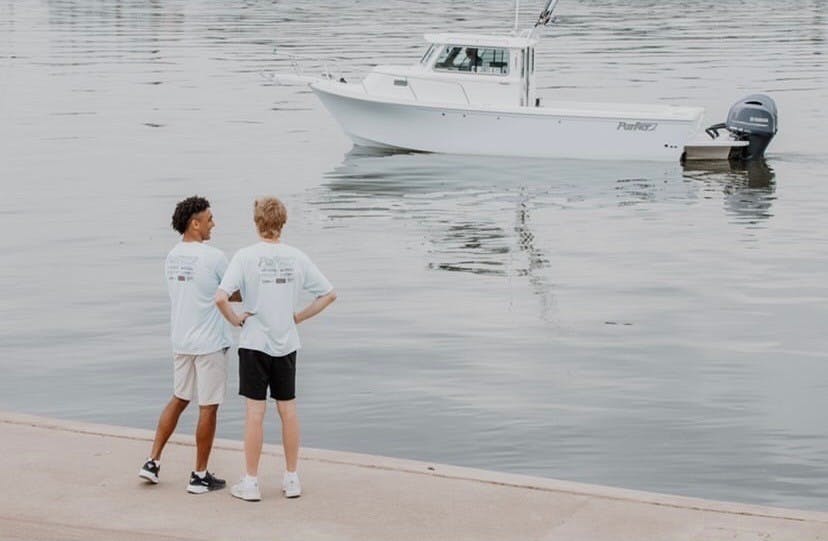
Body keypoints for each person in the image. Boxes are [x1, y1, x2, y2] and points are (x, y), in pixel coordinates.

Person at [215, 196, 336, 502]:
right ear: (283, 223)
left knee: (255, 414)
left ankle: (251, 482)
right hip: (286, 342)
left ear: (257, 223)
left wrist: (235, 319)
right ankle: (292, 478)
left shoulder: (245, 256)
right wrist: (298, 317)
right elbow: (328, 294)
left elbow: (220, 297)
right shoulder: (297, 257)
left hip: (254, 343)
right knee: (288, 410)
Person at [138, 196, 232, 494]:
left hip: (181, 338)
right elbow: (230, 293)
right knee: (208, 406)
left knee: (179, 398)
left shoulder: (172, 256)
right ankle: (199, 475)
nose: (213, 224)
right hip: (209, 343)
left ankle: (152, 461)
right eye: (209, 219)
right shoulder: (214, 257)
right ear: (195, 223)